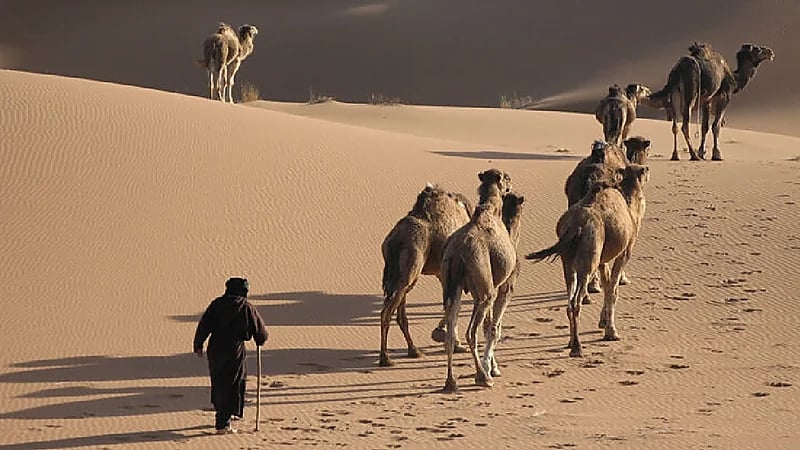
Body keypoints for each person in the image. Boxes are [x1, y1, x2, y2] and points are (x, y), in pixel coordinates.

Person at [194, 277, 268, 434]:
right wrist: (260, 340)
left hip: (215, 349)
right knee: (233, 383)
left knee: (219, 381)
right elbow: (261, 332)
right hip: (234, 350)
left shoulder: (217, 304)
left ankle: (224, 415)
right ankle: (223, 423)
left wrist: (198, 344)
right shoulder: (246, 307)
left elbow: (204, 324)